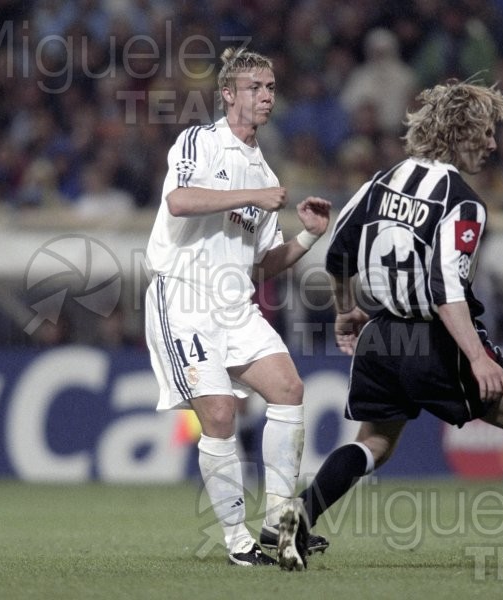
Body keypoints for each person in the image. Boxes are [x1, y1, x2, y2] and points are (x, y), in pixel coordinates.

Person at [276, 80, 503, 571]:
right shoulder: (461, 201)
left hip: (383, 337)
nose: (493, 143)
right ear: (459, 132)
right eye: (485, 131)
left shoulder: (381, 180)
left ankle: (300, 516)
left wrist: (345, 308)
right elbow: (445, 287)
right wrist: (478, 357)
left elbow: (337, 252)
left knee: (373, 442)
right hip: (438, 342)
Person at [144, 46, 333, 567]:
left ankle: (277, 520)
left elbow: (262, 264)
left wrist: (309, 238)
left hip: (235, 301)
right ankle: (237, 541)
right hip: (183, 293)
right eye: (255, 87)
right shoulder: (201, 141)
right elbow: (179, 200)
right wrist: (250, 195)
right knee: (221, 414)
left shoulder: (263, 169)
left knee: (289, 389)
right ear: (227, 95)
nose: (266, 95)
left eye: (271, 87)